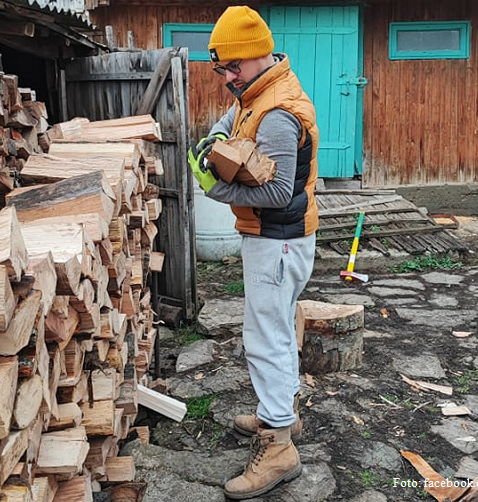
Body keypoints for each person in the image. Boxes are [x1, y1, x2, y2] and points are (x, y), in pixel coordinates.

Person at [187, 5, 319, 500]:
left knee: (263, 338)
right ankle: (278, 413)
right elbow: (233, 118)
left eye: (228, 68)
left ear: (251, 58)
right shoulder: (256, 91)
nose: (224, 78)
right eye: (219, 69)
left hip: (277, 239)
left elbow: (279, 192)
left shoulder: (279, 115)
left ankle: (279, 447)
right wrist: (220, 137)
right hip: (275, 238)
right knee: (278, 328)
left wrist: (214, 190)